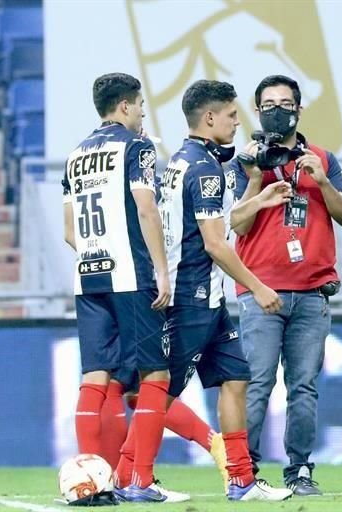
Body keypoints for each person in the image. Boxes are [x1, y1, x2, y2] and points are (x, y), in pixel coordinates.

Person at [123, 79, 293, 501]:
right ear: (210, 117)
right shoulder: (204, 169)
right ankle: (130, 476)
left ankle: (241, 479)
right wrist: (257, 287)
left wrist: (257, 201)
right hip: (190, 298)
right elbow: (216, 244)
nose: (239, 123)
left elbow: (209, 225)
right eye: (233, 115)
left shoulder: (184, 161)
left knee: (236, 378)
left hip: (208, 299)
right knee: (158, 395)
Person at [229, 74, 342, 496]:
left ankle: (299, 469)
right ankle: (243, 474)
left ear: (299, 110)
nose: (277, 110)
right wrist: (253, 180)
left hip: (312, 293)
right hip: (260, 292)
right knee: (258, 384)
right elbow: (235, 224)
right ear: (257, 109)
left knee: (303, 388)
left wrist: (321, 180)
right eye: (268, 104)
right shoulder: (244, 160)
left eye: (285, 103)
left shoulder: (324, 158)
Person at [62, 73, 186, 502]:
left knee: (95, 377)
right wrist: (162, 270)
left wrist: (99, 251)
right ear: (126, 106)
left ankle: (88, 479)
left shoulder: (75, 156)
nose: (143, 114)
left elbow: (68, 230)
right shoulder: (136, 146)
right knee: (156, 373)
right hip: (131, 276)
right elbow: (146, 207)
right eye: (140, 106)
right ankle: (141, 480)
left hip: (88, 275)